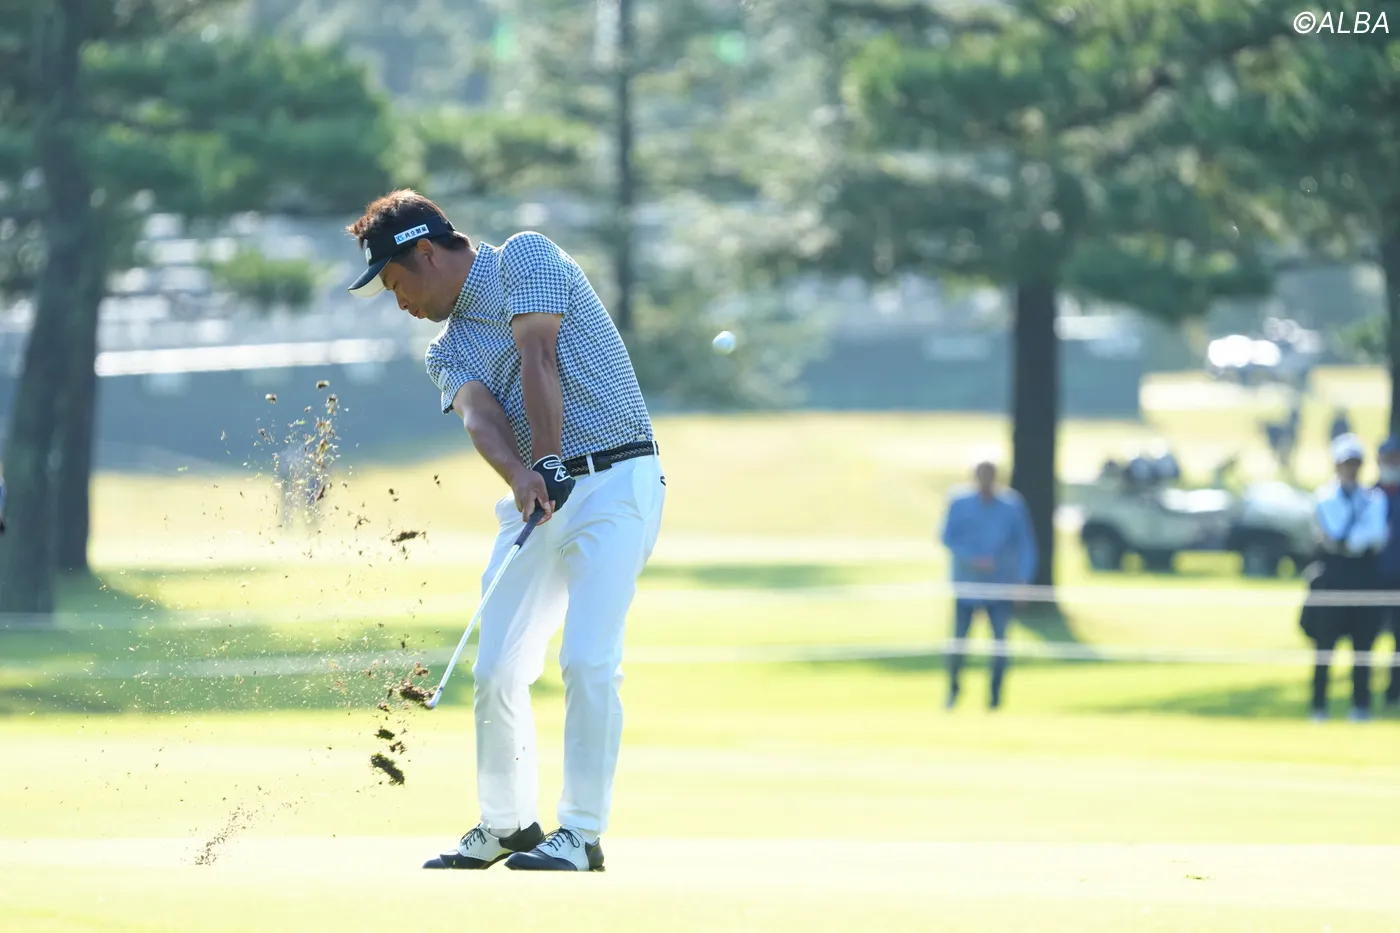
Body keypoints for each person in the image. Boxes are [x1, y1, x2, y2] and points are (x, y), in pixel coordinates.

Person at [346, 190, 665, 871]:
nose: (399, 303)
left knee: (588, 659)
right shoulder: (446, 348)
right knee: (497, 668)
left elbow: (537, 355)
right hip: (541, 496)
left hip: (615, 482)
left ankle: (581, 833)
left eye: (397, 284)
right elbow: (480, 415)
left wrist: (544, 460)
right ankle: (508, 823)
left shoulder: (525, 257)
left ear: (426, 253)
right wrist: (522, 474)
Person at [1300, 433, 1388, 722]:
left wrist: (1353, 541)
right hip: (1333, 576)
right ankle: (1319, 706)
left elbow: (1375, 535)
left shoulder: (1374, 498)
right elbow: (1334, 533)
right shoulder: (1325, 497)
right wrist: (1353, 540)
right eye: (1346, 463)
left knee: (1363, 645)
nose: (1351, 469)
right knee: (1324, 645)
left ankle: (1360, 706)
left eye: (1355, 463)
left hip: (1364, 575)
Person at [940, 459, 1038, 710]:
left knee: (1000, 645)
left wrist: (1023, 581)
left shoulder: (1012, 505)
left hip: (1000, 585)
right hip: (967, 585)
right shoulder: (959, 502)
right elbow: (947, 536)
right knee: (958, 642)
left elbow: (1024, 543)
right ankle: (953, 692)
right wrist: (973, 559)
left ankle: (995, 699)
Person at [1375, 436, 1400, 708]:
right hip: (1374, 578)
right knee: (1367, 634)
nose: (1393, 463)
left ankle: (1394, 690)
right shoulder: (1369, 495)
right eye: (1388, 457)